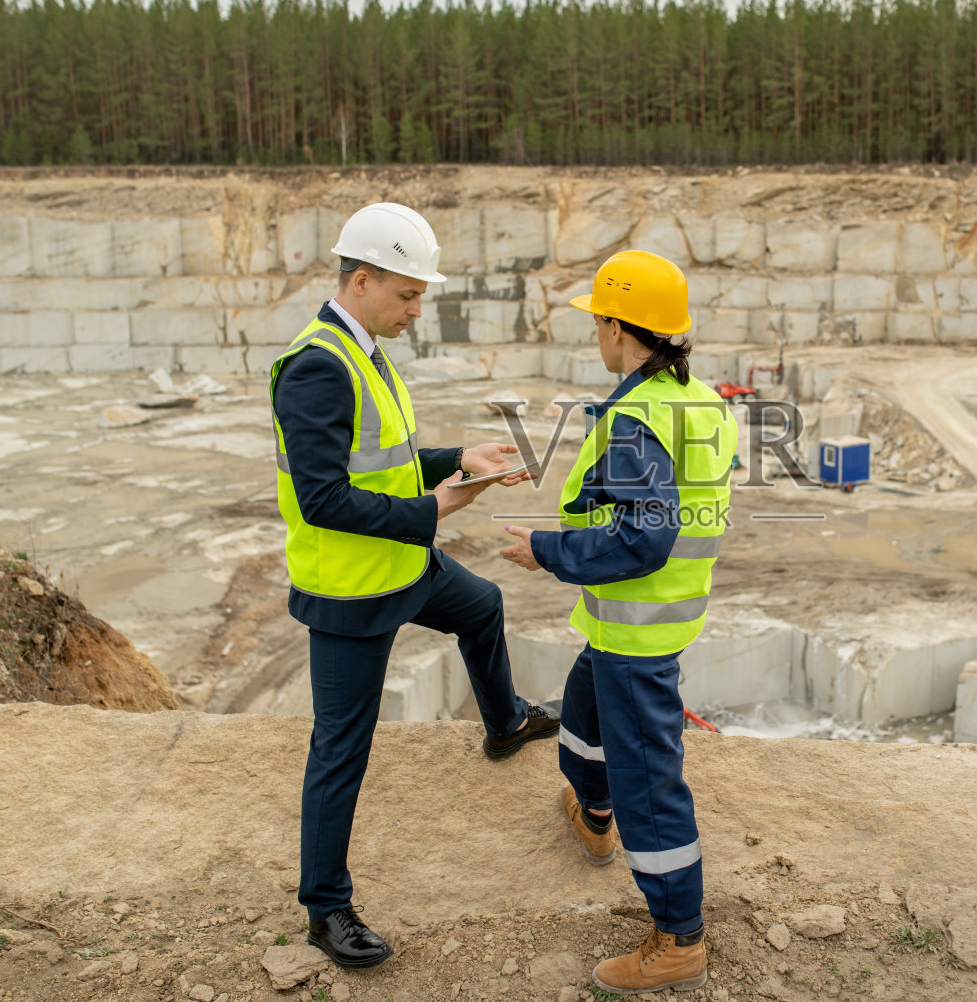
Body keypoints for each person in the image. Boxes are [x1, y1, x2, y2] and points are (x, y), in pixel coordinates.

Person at [270, 202, 561, 970]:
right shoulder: (316, 367)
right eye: (407, 293)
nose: (417, 307)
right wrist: (433, 508)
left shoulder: (362, 350)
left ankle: (504, 721)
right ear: (361, 280)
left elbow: (386, 457)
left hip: (400, 564)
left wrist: (457, 454)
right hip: (350, 590)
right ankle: (326, 910)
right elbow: (322, 498)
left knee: (483, 607)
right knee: (342, 748)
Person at [498, 249, 737, 995]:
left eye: (598, 321)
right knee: (582, 717)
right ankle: (593, 810)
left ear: (615, 325)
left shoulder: (638, 418)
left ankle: (678, 938)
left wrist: (547, 549)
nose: (596, 334)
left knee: (650, 781)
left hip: (638, 632)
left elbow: (643, 537)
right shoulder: (693, 398)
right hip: (635, 625)